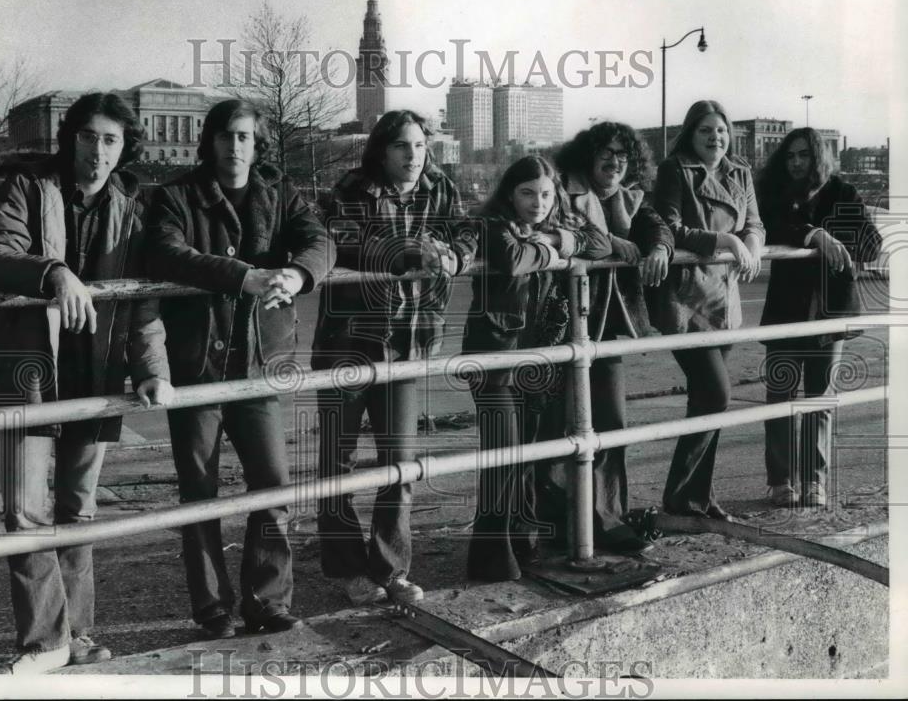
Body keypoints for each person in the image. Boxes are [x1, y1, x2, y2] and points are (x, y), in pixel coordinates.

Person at [0, 91, 173, 675]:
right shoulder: (27, 188)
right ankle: (43, 640)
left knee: (77, 510)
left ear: (124, 147)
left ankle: (77, 634)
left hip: (95, 372)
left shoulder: (133, 207)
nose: (98, 151)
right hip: (29, 372)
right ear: (70, 138)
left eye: (111, 140)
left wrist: (151, 369)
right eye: (89, 137)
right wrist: (52, 271)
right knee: (23, 511)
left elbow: (142, 302)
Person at [146, 99, 332, 637]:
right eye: (226, 136)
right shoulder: (176, 195)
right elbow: (163, 253)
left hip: (259, 363)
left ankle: (268, 600)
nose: (235, 146)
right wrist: (240, 275)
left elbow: (320, 240)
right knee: (198, 490)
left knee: (272, 484)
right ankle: (212, 607)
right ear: (209, 141)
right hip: (197, 363)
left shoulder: (280, 193)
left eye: (246, 137)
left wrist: (298, 274)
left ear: (258, 143)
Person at [312, 109, 476, 605]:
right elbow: (341, 243)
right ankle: (342, 563)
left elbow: (469, 232)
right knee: (336, 458)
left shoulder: (440, 188)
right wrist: (407, 252)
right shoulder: (352, 188)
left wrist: (453, 256)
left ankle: (391, 568)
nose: (413, 157)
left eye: (421, 146)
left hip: (409, 340)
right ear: (382, 150)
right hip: (349, 339)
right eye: (403, 147)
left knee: (399, 461)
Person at [461, 155, 612, 581]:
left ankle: (522, 541)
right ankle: (490, 558)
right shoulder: (492, 223)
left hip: (537, 358)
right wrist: (554, 248)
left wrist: (561, 236)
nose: (537, 202)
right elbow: (512, 260)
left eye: (546, 194)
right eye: (527, 193)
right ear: (510, 193)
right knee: (502, 456)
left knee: (527, 453)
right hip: (493, 356)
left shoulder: (555, 220)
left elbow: (601, 244)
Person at [551, 122, 675, 553]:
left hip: (604, 330)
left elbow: (657, 226)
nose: (615, 161)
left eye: (623, 154)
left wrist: (658, 248)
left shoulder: (630, 198)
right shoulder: (561, 189)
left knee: (609, 423)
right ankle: (553, 524)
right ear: (587, 156)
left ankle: (609, 519)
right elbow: (555, 230)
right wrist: (610, 244)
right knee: (550, 431)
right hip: (556, 328)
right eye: (606, 152)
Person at [646, 99, 764, 520]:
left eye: (721, 131)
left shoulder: (740, 172)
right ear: (690, 134)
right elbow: (672, 227)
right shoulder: (674, 170)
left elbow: (754, 221)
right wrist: (728, 243)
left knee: (706, 402)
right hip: (687, 298)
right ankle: (682, 498)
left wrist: (751, 242)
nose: (716, 138)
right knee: (715, 394)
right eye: (706, 131)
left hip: (724, 298)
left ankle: (696, 499)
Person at [756, 127, 883, 508]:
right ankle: (780, 481)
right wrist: (814, 236)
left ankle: (814, 481)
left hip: (830, 312)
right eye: (790, 156)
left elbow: (871, 244)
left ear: (818, 157)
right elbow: (770, 228)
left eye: (804, 156)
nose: (796, 163)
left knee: (819, 399)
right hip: (785, 311)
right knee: (779, 397)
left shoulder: (842, 193)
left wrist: (828, 234)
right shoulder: (775, 193)